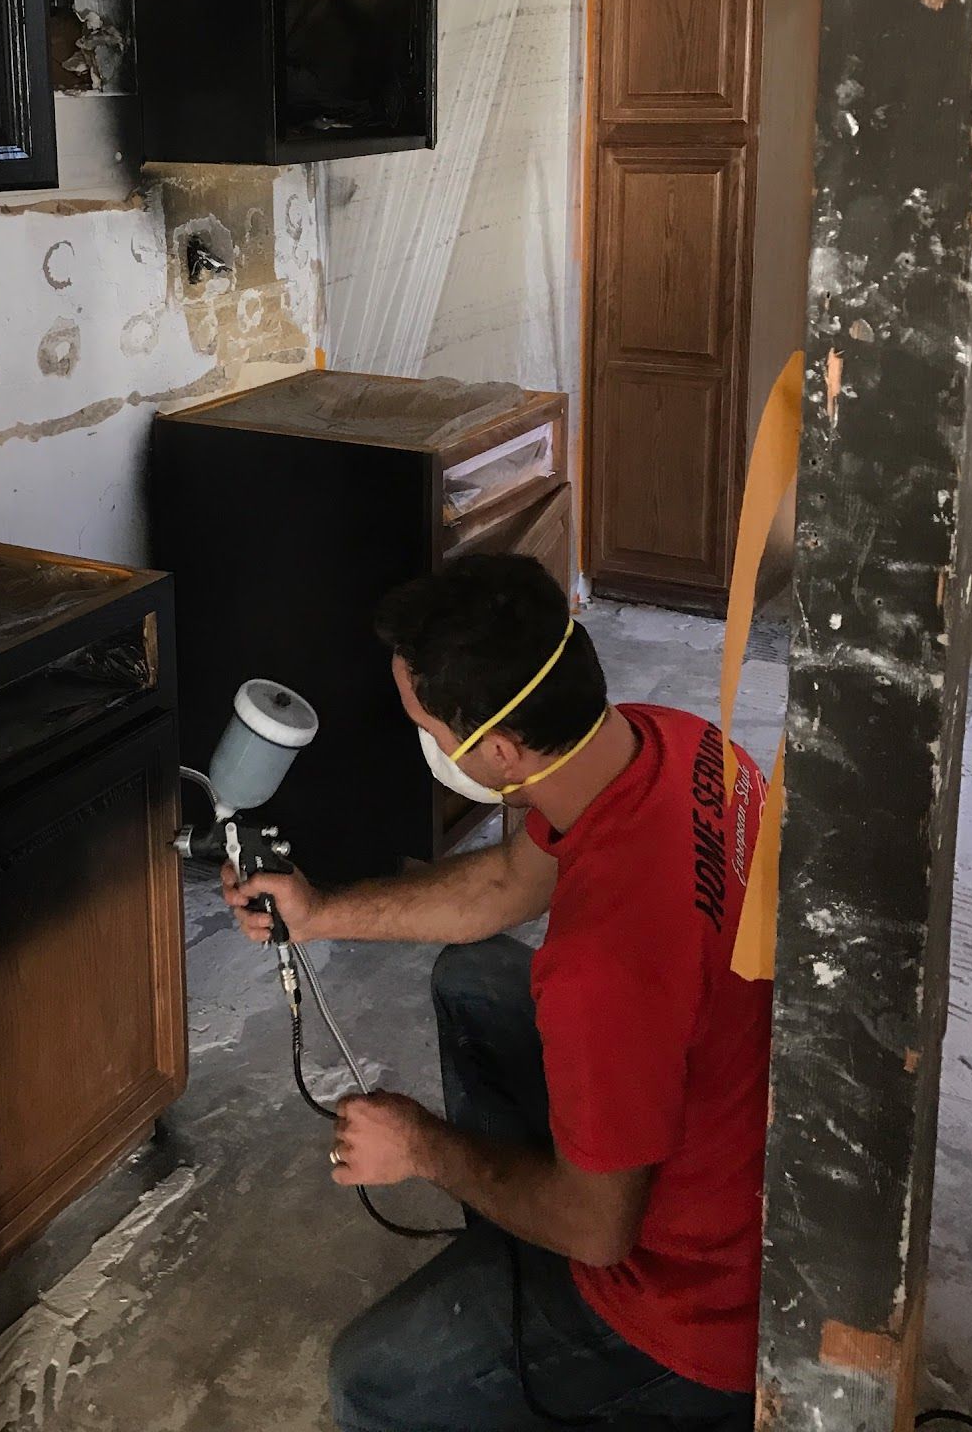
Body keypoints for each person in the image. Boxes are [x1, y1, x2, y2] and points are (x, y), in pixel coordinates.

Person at [222, 553, 770, 1432]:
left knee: (372, 1382)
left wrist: (421, 1148)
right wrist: (318, 911)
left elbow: (602, 1232)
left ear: (501, 752)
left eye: (432, 730)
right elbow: (507, 884)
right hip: (723, 1127)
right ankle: (515, 1235)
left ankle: (560, 1317)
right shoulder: (667, 741)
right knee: (472, 978)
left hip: (693, 1316)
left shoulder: (600, 970)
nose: (431, 746)